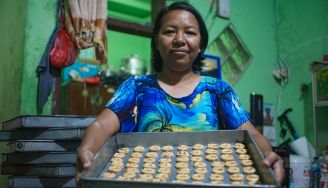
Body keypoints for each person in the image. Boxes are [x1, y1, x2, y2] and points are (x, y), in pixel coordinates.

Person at [77, 1, 285, 183]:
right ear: (156, 43)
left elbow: (252, 134)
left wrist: (267, 153)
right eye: (169, 31)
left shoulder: (218, 91)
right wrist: (87, 150)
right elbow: (101, 125)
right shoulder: (137, 87)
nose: (179, 39)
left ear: (201, 44)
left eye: (190, 32)